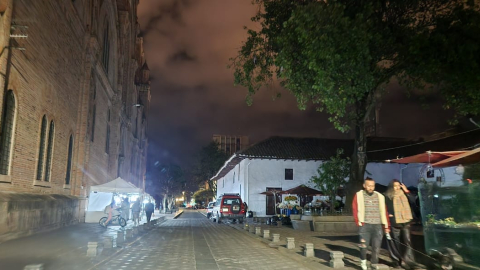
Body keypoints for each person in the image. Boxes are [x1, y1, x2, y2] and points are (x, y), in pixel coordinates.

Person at [352, 177, 390, 270]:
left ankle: (374, 265)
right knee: (363, 247)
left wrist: (386, 225)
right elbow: (355, 208)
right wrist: (358, 222)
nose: (371, 188)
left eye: (372, 186)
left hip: (377, 226)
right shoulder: (359, 195)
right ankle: (363, 262)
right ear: (364, 186)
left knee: (376, 248)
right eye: (368, 186)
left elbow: (384, 211)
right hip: (365, 225)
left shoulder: (380, 196)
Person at [384, 179, 418, 269]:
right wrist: (388, 214)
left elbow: (413, 201)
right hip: (395, 221)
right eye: (395, 186)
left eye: (399, 185)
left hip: (406, 221)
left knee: (408, 241)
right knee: (395, 242)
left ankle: (408, 260)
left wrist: (406, 190)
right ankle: (396, 261)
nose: (397, 187)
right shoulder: (388, 196)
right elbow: (384, 208)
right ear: (392, 187)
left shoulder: (404, 194)